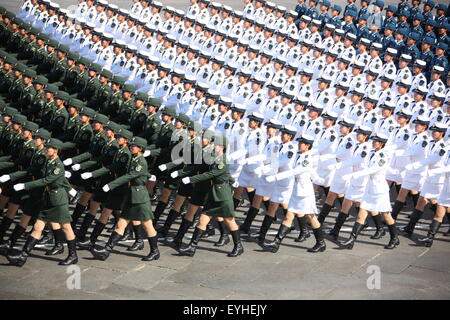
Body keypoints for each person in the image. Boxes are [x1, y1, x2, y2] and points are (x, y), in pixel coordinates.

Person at [6, 138, 78, 266]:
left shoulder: (58, 165)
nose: (46, 149)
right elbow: (55, 179)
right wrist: (71, 189)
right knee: (38, 227)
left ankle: (73, 255)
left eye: (48, 148)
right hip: (48, 198)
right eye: (46, 147)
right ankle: (23, 256)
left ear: (55, 151)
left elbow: (46, 180)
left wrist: (25, 185)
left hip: (58, 200)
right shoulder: (49, 162)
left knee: (66, 227)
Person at [90, 137, 160, 261]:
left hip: (140, 198)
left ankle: (155, 251)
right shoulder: (134, 159)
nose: (131, 147)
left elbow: (130, 175)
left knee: (148, 225)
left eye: (134, 146)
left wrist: (111, 185)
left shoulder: (141, 162)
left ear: (141, 148)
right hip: (131, 196)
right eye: (131, 145)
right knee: (121, 224)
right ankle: (107, 250)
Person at [176, 136, 244, 257]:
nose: (214, 146)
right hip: (214, 194)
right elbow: (224, 175)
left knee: (229, 220)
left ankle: (238, 246)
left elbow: (211, 174)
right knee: (203, 220)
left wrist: (191, 179)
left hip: (222, 196)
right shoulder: (215, 158)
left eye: (217, 145)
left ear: (222, 147)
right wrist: (232, 180)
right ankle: (192, 247)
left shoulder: (222, 161)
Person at [263, 134, 326, 253]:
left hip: (304, 191)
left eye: (301, 143)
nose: (298, 144)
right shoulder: (298, 155)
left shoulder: (307, 158)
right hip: (296, 189)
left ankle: (321, 242)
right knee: (289, 216)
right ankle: (276, 242)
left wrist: (276, 177)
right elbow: (309, 172)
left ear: (307, 146)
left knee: (311, 217)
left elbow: (296, 171)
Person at [339, 133, 400, 250]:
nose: (373, 143)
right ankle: (351, 240)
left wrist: (353, 175)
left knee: (386, 216)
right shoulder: (372, 153)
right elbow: (364, 165)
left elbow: (372, 169)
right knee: (361, 215)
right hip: (369, 188)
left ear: (381, 143)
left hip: (379, 190)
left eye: (376, 141)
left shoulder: (382, 156)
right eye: (373, 141)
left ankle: (394, 238)